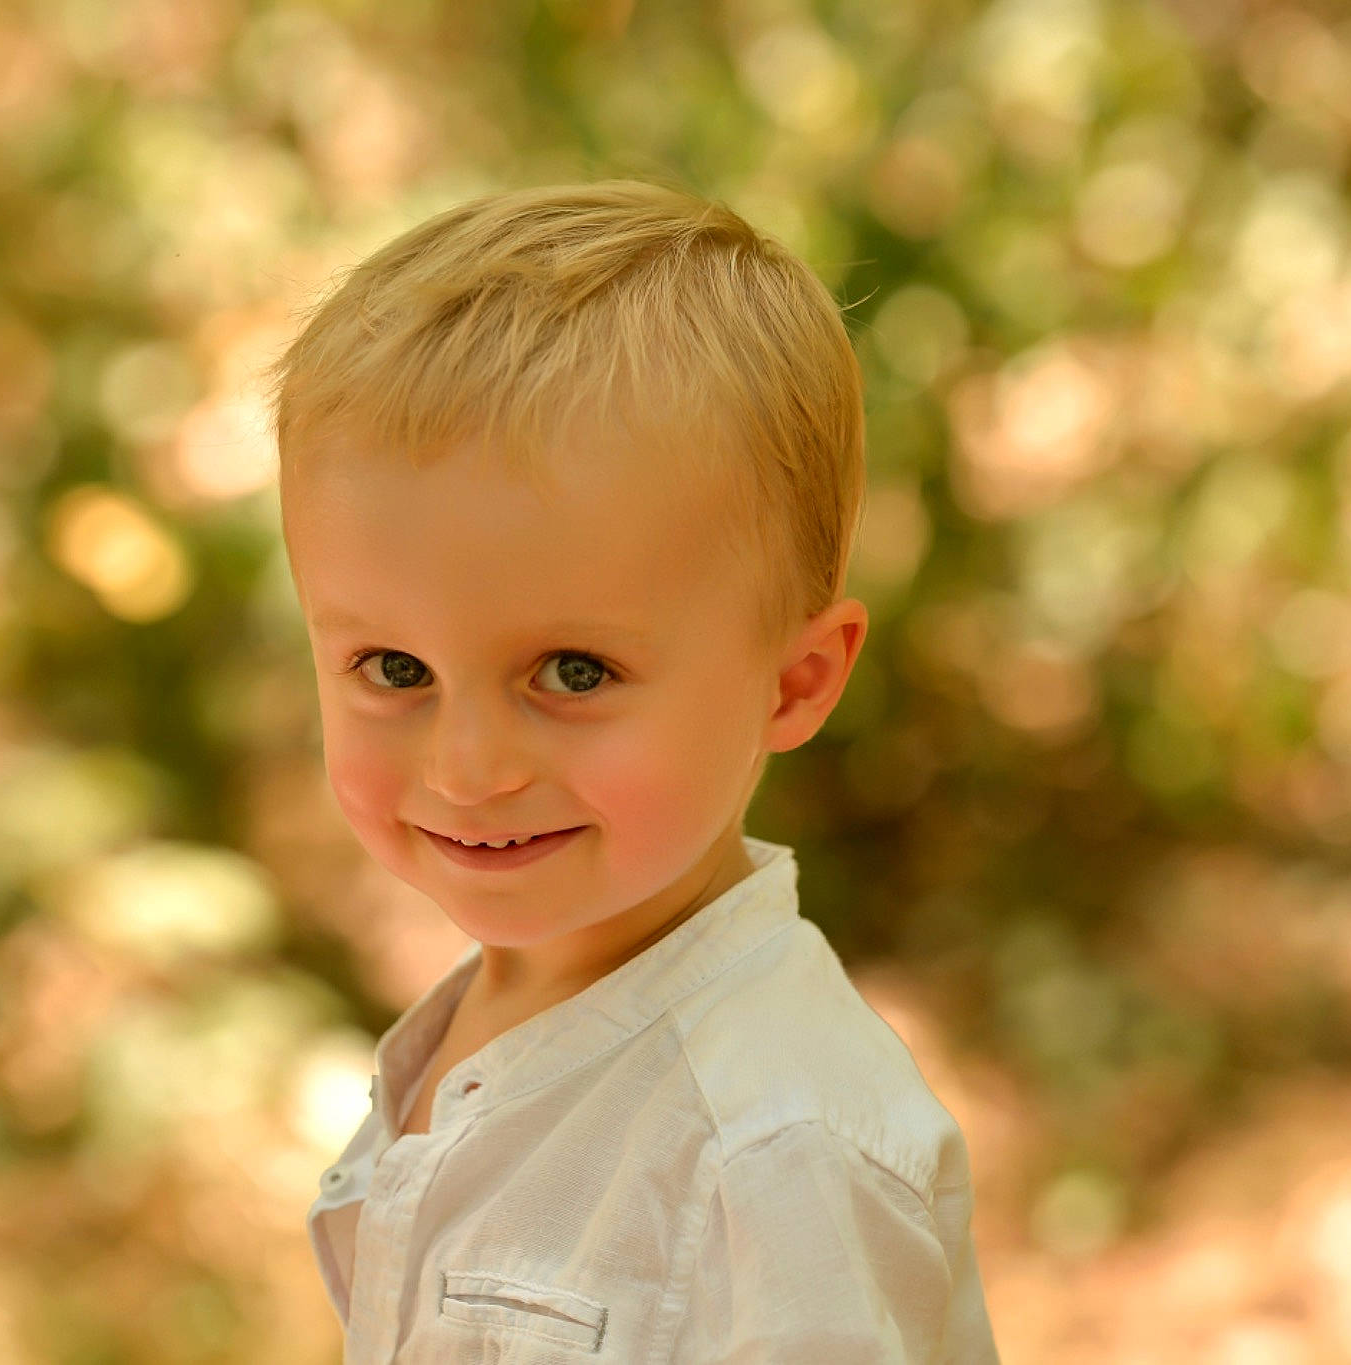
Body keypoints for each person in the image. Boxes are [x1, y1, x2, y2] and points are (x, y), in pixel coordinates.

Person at [270, 179, 1000, 1363]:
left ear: (793, 683)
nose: (466, 770)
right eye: (394, 668)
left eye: (571, 673)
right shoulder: (493, 1025)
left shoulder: (774, 1155)